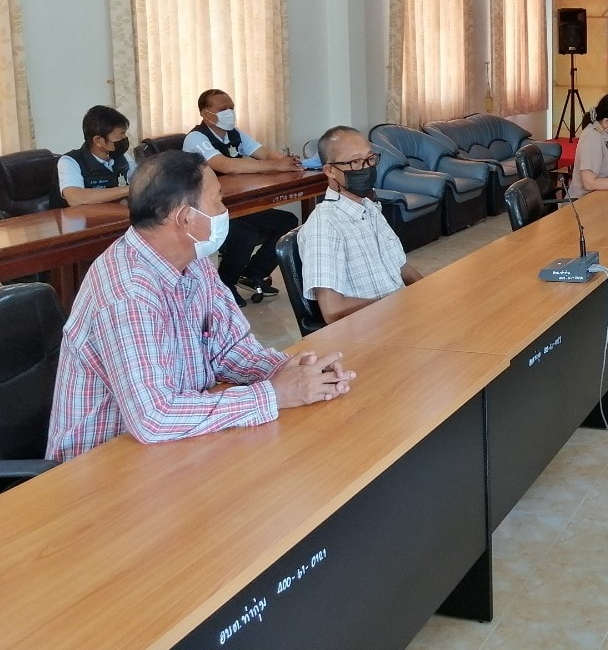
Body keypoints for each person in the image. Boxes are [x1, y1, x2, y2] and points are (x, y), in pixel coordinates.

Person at [45, 150, 355, 462]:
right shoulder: (127, 292)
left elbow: (231, 349)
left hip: (171, 447)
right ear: (185, 218)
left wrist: (292, 371)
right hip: (102, 465)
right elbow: (154, 417)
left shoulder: (193, 261)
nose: (225, 210)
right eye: (218, 201)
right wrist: (273, 394)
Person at [183, 88, 299, 306]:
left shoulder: (234, 133)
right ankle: (225, 285)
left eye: (231, 108)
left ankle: (254, 272)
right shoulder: (196, 138)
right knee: (245, 234)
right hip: (209, 209)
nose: (229, 113)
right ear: (206, 114)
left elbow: (263, 153)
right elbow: (226, 166)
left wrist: (287, 161)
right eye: (223, 109)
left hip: (239, 202)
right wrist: (275, 166)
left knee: (288, 222)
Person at [298, 126, 422, 323]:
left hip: (403, 316)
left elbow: (401, 267)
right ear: (330, 170)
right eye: (355, 162)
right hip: (373, 326)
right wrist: (398, 305)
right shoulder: (325, 226)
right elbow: (332, 311)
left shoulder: (370, 208)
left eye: (370, 159)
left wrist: (429, 294)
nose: (366, 168)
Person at [57, 105, 136, 206]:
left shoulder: (123, 157)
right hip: (82, 216)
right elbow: (75, 198)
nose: (124, 139)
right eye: (119, 136)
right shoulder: (70, 161)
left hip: (116, 213)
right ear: (98, 141)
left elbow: (140, 181)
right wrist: (129, 189)